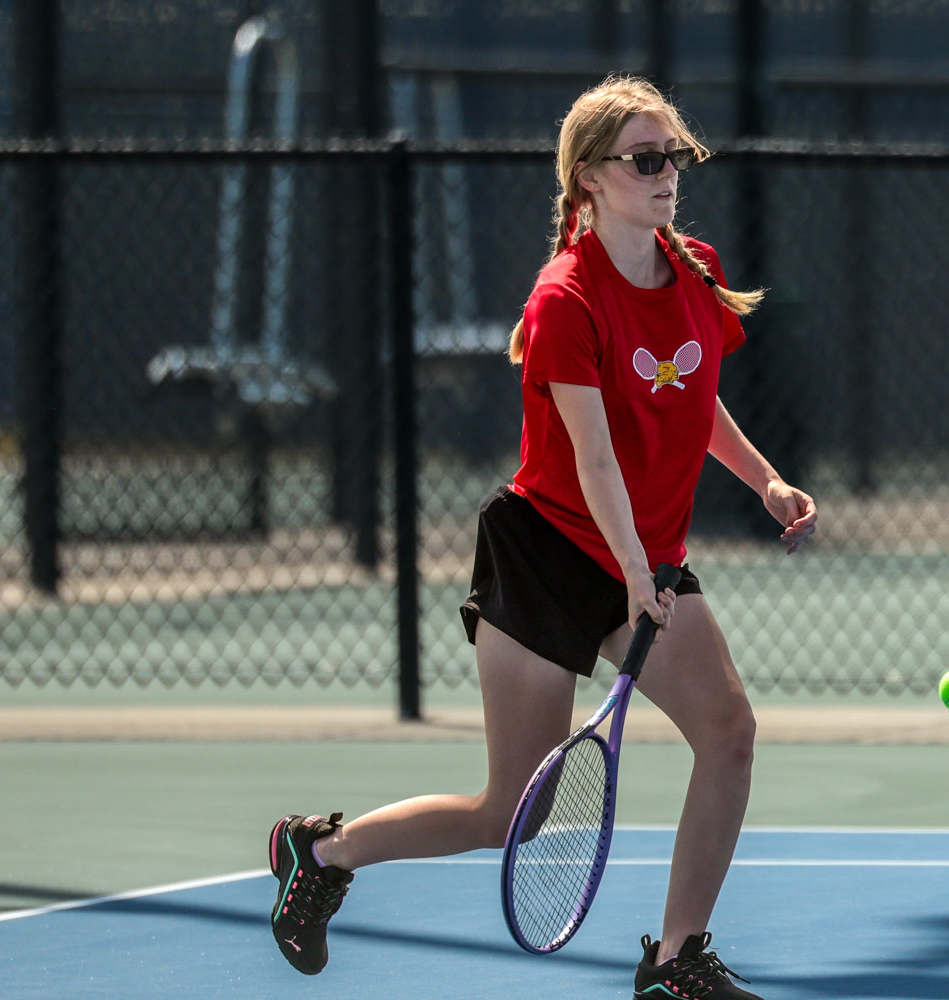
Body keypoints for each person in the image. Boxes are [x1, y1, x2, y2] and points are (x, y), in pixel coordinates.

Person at [266, 75, 818, 1000]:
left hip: (643, 557)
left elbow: (692, 393)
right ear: (590, 178)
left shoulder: (695, 270)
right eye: (646, 158)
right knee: (510, 815)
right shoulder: (565, 300)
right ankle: (321, 853)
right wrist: (637, 573)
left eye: (675, 155)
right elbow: (593, 460)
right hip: (546, 557)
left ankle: (676, 959)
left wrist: (764, 480)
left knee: (729, 733)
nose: (667, 173)